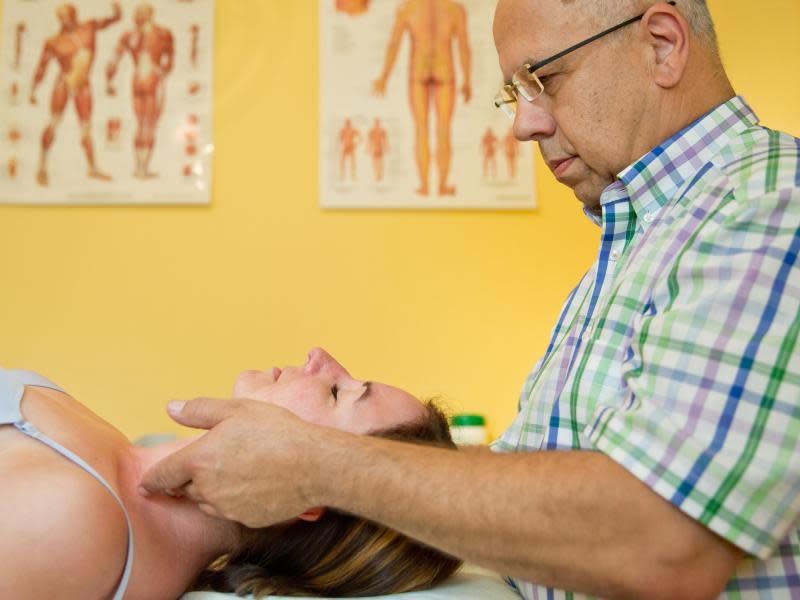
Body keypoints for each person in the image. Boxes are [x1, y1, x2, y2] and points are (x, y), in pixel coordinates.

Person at [142, 1, 800, 598]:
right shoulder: (641, 241)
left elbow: (661, 542)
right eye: (515, 94)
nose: (523, 125)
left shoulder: (769, 205)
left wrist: (315, 464)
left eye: (544, 79)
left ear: (661, 44)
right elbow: (533, 482)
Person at [0, 348, 461, 599]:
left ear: (307, 492)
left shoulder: (75, 522)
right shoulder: (110, 467)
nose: (320, 357)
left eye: (340, 393)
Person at [373, 0, 472, 197]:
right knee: (442, 129)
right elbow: (463, 46)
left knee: (423, 129)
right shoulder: (454, 9)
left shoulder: (409, 8)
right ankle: (439, 186)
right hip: (444, 71)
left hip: (419, 72)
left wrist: (384, 76)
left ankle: (426, 186)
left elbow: (394, 44)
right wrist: (467, 80)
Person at [29, 3, 121, 187]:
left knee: (86, 128)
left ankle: (92, 168)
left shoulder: (89, 27)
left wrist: (117, 10)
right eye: (60, 16)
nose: (64, 19)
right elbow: (42, 66)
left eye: (67, 15)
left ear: (74, 15)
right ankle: (42, 167)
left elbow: (111, 21)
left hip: (83, 85)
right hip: (63, 83)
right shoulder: (54, 41)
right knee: (54, 122)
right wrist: (33, 89)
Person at [106, 3, 174, 180]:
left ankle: (140, 168)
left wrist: (109, 81)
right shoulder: (161, 33)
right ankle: (142, 168)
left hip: (138, 80)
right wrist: (162, 72)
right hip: (152, 80)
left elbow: (113, 60)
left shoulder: (131, 35)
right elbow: (169, 61)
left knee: (142, 124)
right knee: (148, 125)